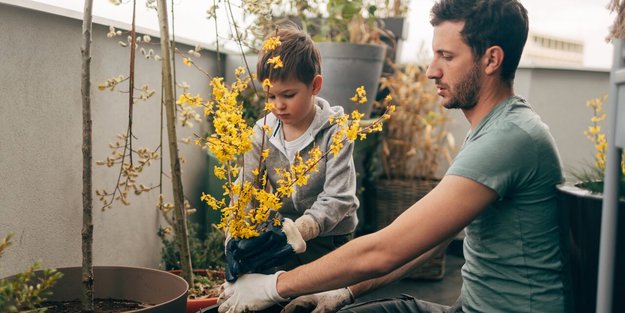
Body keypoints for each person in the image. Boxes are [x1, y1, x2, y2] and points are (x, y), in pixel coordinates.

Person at [218, 0, 571, 312]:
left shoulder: (509, 138)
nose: (432, 70)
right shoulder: (492, 130)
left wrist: (271, 287)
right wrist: (343, 292)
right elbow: (430, 243)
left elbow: (383, 250)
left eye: (446, 56)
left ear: (491, 59)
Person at [224, 25, 360, 282]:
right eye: (270, 95)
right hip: (283, 235)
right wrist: (235, 234)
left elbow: (339, 197)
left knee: (318, 293)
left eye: (288, 95)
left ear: (315, 85)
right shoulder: (263, 131)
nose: (278, 105)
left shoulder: (336, 132)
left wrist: (300, 230)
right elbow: (245, 188)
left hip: (329, 238)